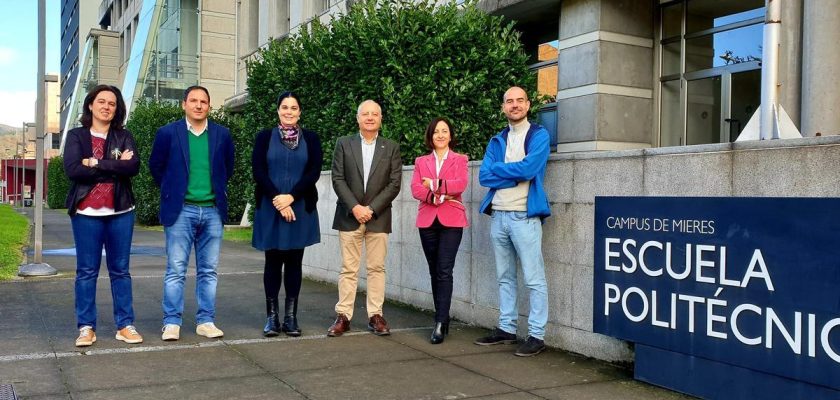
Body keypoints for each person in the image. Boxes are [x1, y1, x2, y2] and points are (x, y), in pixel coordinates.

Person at [148, 85, 235, 341]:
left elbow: (227, 168)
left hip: (212, 211)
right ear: (183, 104)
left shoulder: (222, 134)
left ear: (209, 106)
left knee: (209, 270)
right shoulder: (167, 133)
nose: (199, 105)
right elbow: (157, 167)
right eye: (194, 100)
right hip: (181, 211)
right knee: (176, 269)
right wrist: (172, 191)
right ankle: (172, 321)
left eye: (204, 102)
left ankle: (205, 320)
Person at [474, 86, 551, 357]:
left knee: (534, 278)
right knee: (505, 277)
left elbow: (530, 168)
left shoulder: (539, 135)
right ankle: (507, 328)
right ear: (503, 107)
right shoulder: (498, 139)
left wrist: (501, 170)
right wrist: (513, 173)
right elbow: (484, 176)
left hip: (524, 216)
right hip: (499, 215)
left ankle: (537, 335)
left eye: (520, 100)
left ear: (528, 105)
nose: (514, 105)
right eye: (509, 101)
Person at [63, 84, 143, 347]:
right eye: (101, 101)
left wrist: (95, 162)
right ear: (90, 105)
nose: (107, 107)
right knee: (86, 271)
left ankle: (125, 325)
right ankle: (86, 327)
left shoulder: (124, 135)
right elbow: (74, 170)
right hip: (86, 213)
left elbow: (132, 167)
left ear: (117, 108)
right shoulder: (76, 136)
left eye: (112, 103)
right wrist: (114, 167)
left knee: (120, 271)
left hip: (121, 212)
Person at [327, 100, 402, 337]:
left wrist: (371, 208)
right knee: (348, 268)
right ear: (357, 118)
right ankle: (344, 316)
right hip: (350, 216)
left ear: (380, 118)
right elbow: (338, 178)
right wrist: (356, 208)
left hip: (378, 218)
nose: (370, 117)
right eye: (365, 114)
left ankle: (375, 316)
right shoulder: (343, 144)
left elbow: (394, 183)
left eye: (375, 114)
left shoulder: (391, 147)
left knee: (376, 268)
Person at [251, 91, 323, 337]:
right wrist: (279, 201)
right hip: (271, 207)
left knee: (294, 262)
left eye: (294, 108)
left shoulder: (311, 139)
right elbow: (259, 171)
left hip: (300, 207)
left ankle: (291, 318)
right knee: (272, 262)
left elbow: (313, 172)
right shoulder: (263, 137)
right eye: (284, 107)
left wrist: (291, 197)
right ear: (278, 110)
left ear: (300, 112)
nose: (289, 111)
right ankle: (272, 318)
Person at [410, 118, 468, 344]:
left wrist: (432, 184)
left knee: (445, 269)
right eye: (436, 132)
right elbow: (415, 188)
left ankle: (440, 322)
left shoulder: (460, 159)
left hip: (452, 220)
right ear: (430, 136)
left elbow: (460, 185)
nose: (441, 135)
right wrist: (440, 193)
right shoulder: (420, 161)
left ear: (451, 135)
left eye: (445, 131)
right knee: (434, 270)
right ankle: (442, 317)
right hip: (427, 220)